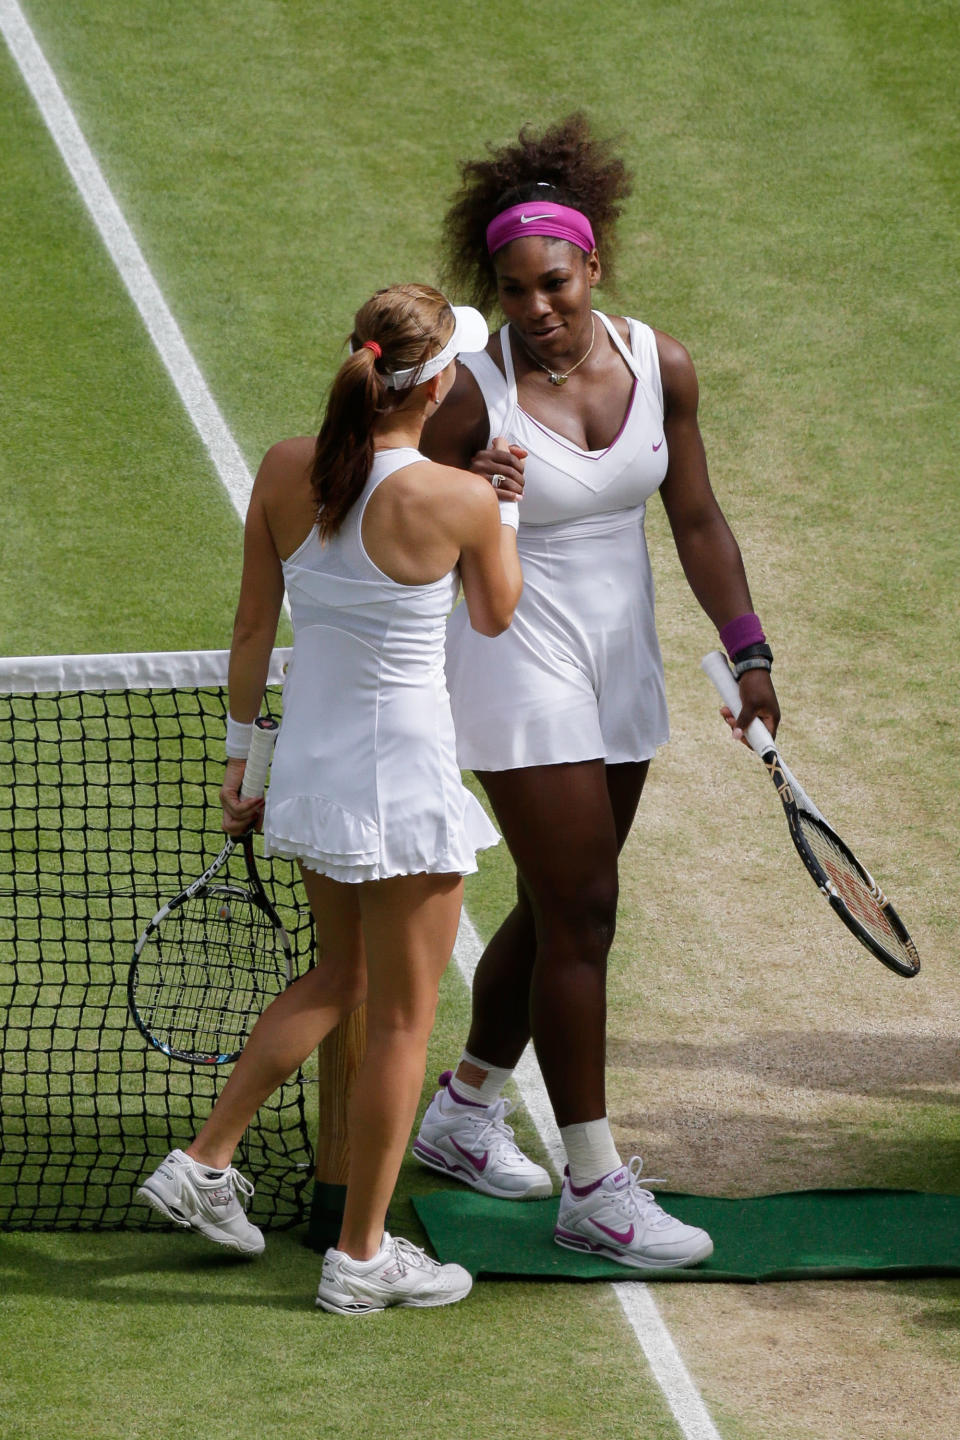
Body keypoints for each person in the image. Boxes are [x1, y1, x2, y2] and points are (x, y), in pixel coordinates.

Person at [412, 115, 780, 1271]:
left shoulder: (658, 359)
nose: (537, 309)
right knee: (585, 911)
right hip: (515, 658)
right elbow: (397, 534)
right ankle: (595, 1184)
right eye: (514, 290)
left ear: (593, 268)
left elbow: (698, 517)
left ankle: (467, 1110)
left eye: (555, 284)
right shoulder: (470, 397)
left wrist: (751, 649)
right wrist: (472, 490)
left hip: (623, 663)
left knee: (567, 901)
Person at [137, 283, 523, 1314]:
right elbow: (495, 615)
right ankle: (360, 1258)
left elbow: (253, 628)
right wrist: (505, 508)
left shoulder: (282, 468)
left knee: (340, 975)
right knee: (405, 1018)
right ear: (436, 385)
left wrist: (242, 763)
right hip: (401, 777)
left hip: (308, 758)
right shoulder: (460, 499)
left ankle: (205, 1163)